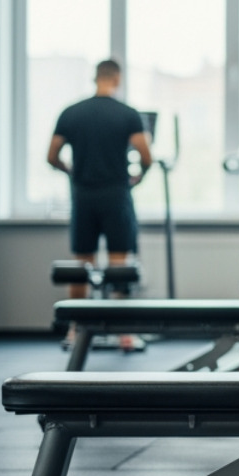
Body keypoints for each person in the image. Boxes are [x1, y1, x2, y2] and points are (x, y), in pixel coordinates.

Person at [47, 59, 152, 345]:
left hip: (83, 196)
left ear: (95, 78)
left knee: (82, 264)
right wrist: (138, 176)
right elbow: (146, 156)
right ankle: (123, 333)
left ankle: (76, 331)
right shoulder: (128, 114)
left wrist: (71, 171)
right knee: (119, 263)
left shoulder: (71, 113)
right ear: (116, 79)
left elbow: (52, 155)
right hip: (117, 194)